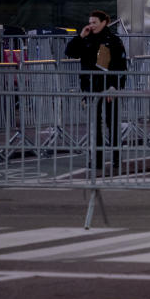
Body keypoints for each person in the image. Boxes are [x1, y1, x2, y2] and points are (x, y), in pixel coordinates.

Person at [64, 10, 127, 175]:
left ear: (104, 22)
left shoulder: (113, 41)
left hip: (108, 89)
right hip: (90, 88)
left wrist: (115, 86)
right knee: (94, 126)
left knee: (112, 124)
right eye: (90, 22)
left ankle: (116, 157)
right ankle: (97, 160)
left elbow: (121, 66)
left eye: (94, 22)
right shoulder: (87, 39)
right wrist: (80, 36)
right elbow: (70, 52)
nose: (91, 25)